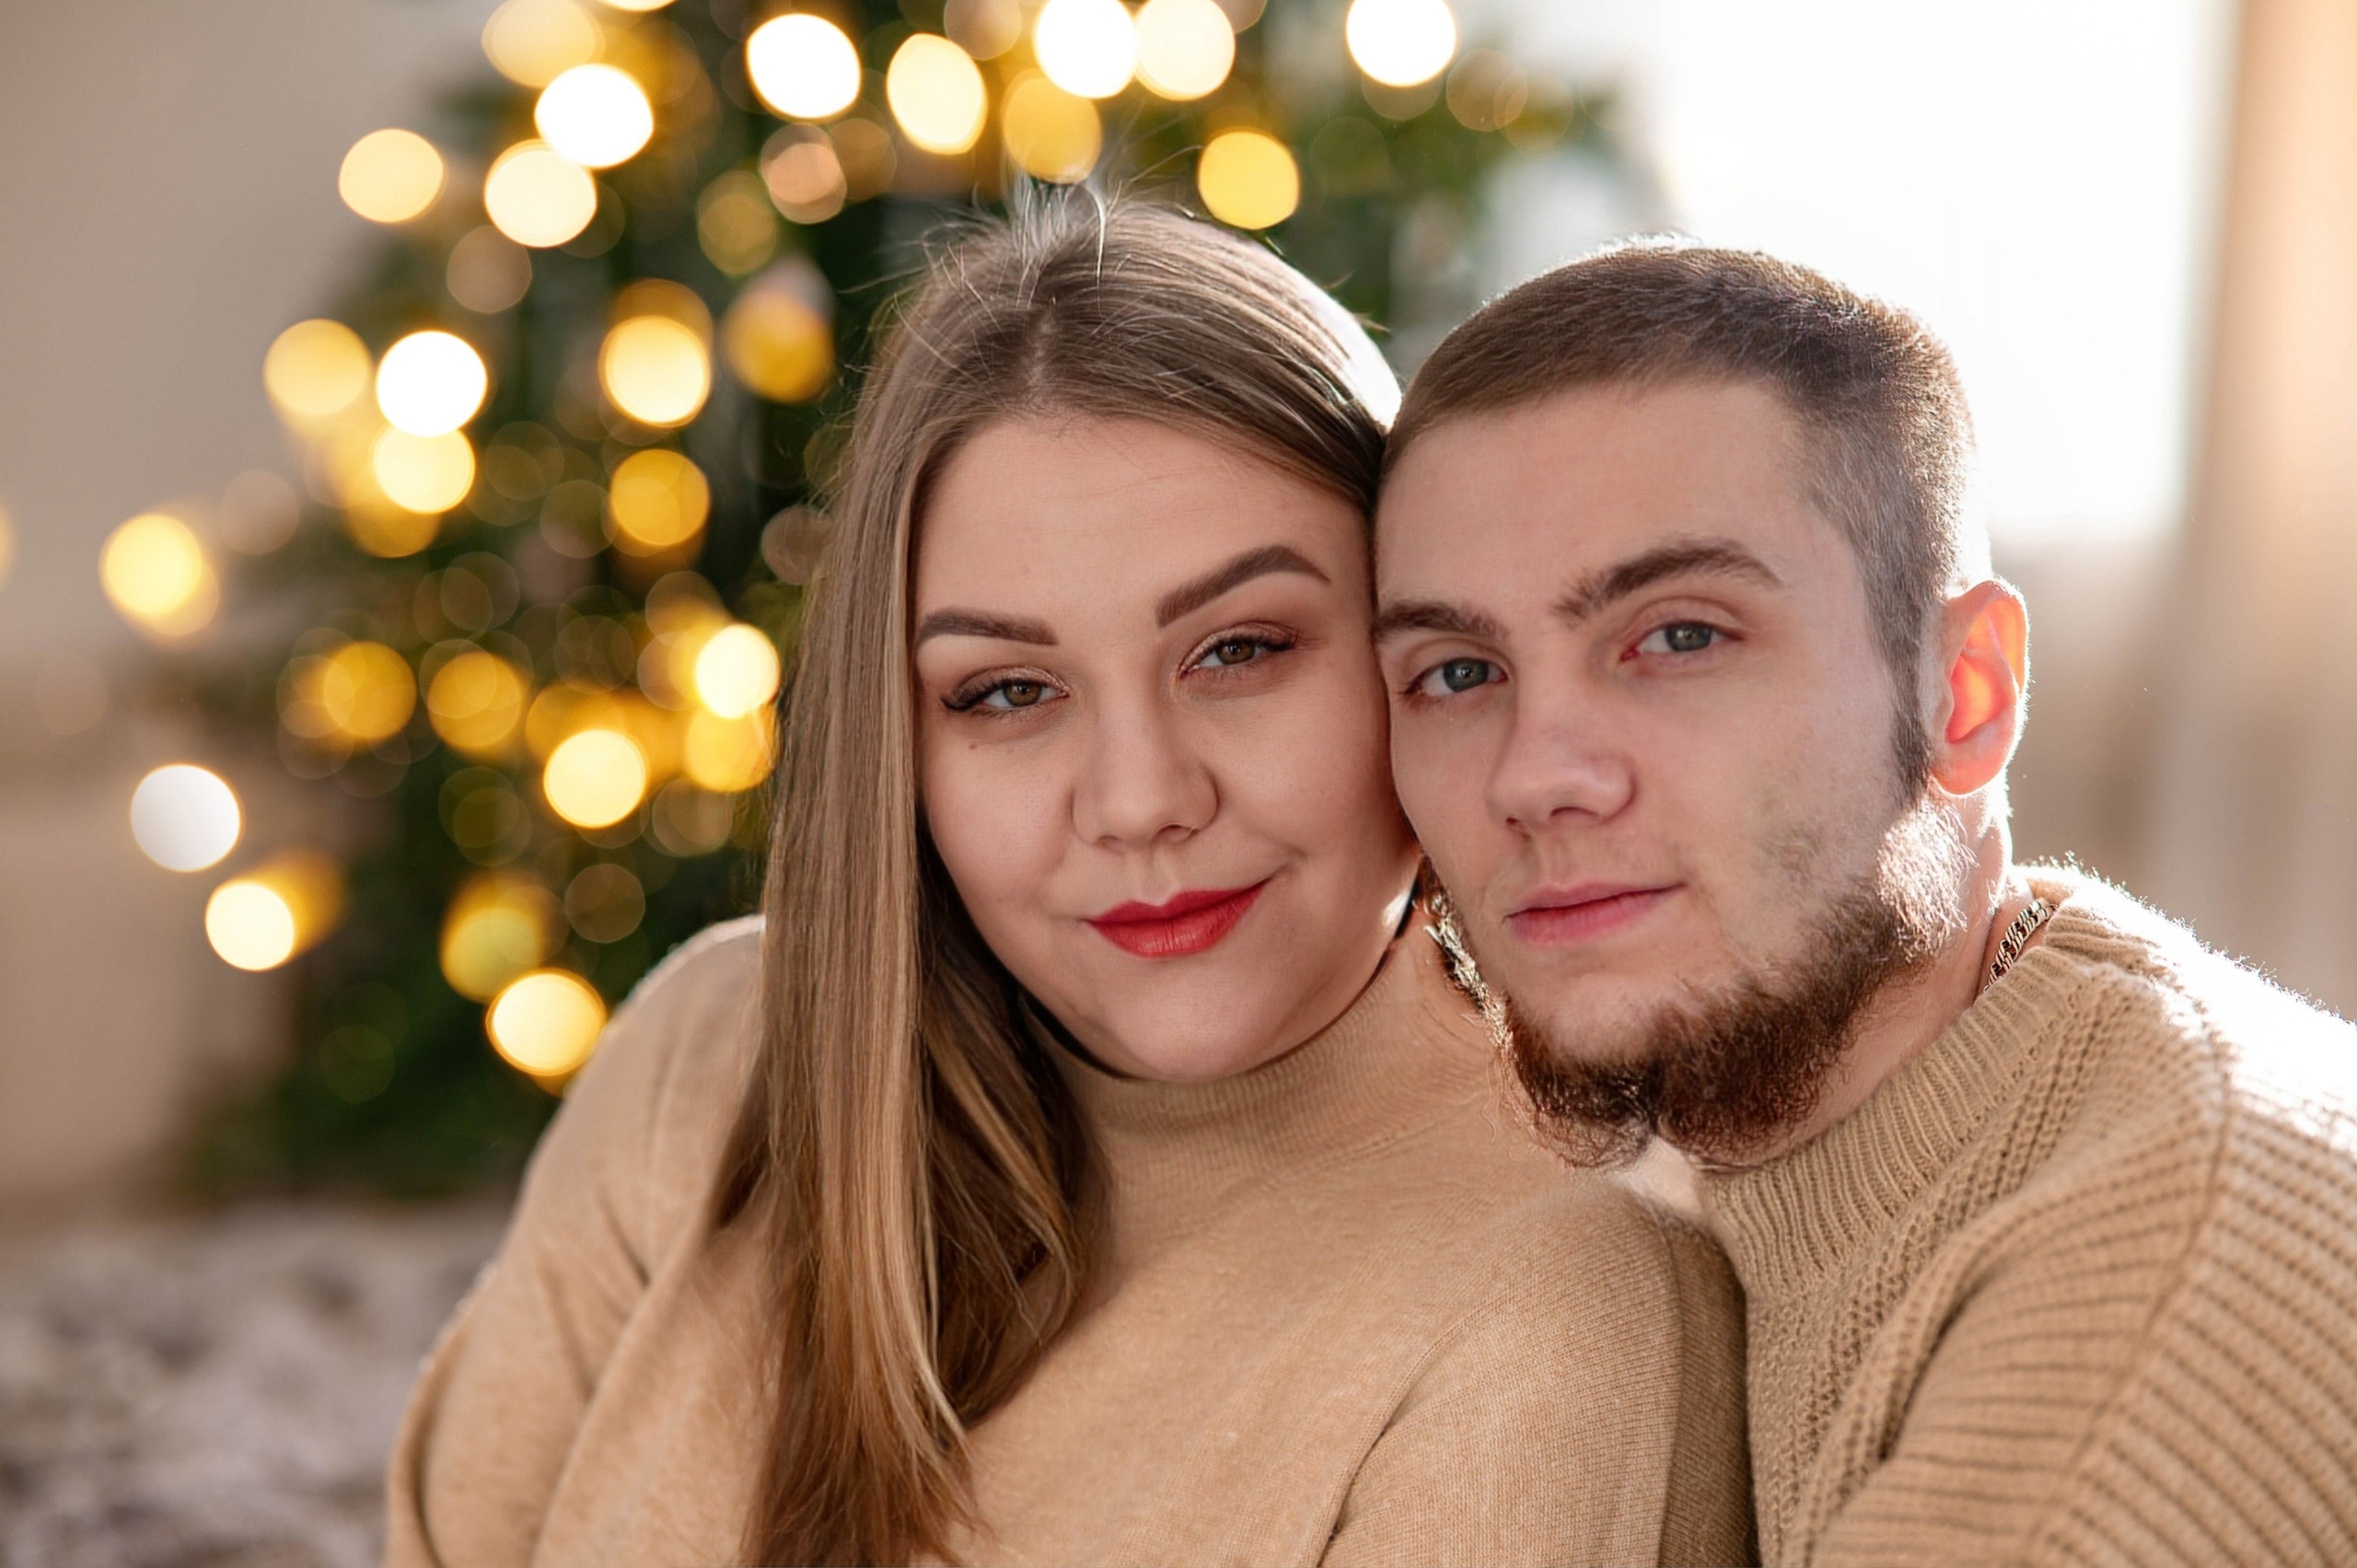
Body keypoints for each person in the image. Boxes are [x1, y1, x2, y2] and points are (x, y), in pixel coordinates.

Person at [384, 203, 1751, 1568]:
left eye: (1239, 650)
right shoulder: (714, 1049)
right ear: (900, 745)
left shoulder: (1566, 1308)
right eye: (1008, 691)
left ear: (1420, 650)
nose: (1140, 800)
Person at [1374, 237, 2357, 1567]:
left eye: (1679, 635)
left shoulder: (2147, 1312)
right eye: (1454, 671)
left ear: (1966, 695)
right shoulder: (1783, 1132)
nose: (1537, 775)